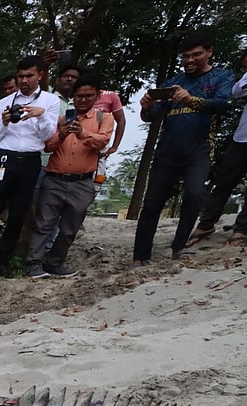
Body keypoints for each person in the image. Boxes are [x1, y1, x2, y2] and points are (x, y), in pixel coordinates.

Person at [133, 30, 235, 266]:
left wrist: (191, 100)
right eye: (186, 56)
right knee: (152, 204)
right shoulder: (171, 83)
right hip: (167, 150)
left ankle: (179, 247)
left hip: (199, 148)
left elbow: (223, 105)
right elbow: (153, 116)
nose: (190, 60)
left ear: (209, 52)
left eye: (196, 55)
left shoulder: (221, 77)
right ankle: (140, 256)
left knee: (195, 194)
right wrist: (146, 107)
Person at [0, 55, 61, 277]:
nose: (24, 80)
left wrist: (39, 116)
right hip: (5, 158)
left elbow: (48, 135)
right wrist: (3, 123)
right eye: (20, 76)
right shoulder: (2, 104)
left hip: (30, 160)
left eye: (29, 75)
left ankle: (4, 262)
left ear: (40, 75)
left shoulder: (50, 102)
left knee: (18, 214)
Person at [24, 74, 114, 279]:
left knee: (69, 228)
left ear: (97, 96)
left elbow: (103, 142)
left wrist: (83, 133)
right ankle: (33, 264)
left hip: (83, 182)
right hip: (55, 178)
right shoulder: (61, 119)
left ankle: (55, 263)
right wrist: (61, 134)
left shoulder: (104, 118)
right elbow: (47, 146)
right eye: (78, 96)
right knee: (43, 224)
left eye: (88, 96)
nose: (82, 100)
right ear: (73, 97)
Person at [186, 50, 247, 248]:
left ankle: (241, 229)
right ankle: (206, 223)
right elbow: (236, 91)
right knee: (224, 181)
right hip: (242, 137)